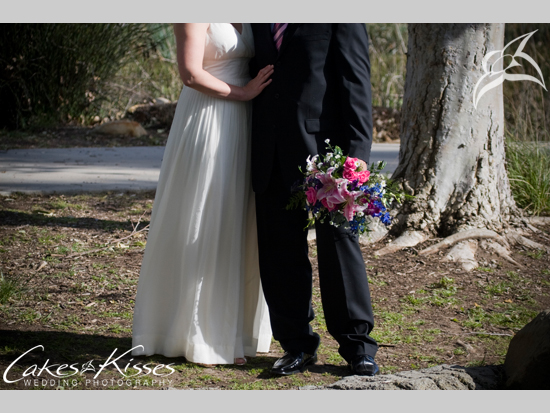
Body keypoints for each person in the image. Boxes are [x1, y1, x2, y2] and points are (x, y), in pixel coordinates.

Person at [132, 23, 274, 366]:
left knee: (235, 219)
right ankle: (194, 333)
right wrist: (244, 92)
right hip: (208, 116)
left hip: (244, 119)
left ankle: (234, 331)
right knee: (204, 215)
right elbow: (191, 74)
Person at [249, 23, 379, 376]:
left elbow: (356, 82)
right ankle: (296, 345)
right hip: (270, 151)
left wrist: (355, 157)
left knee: (339, 245)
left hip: (325, 155)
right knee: (279, 251)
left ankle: (358, 347)